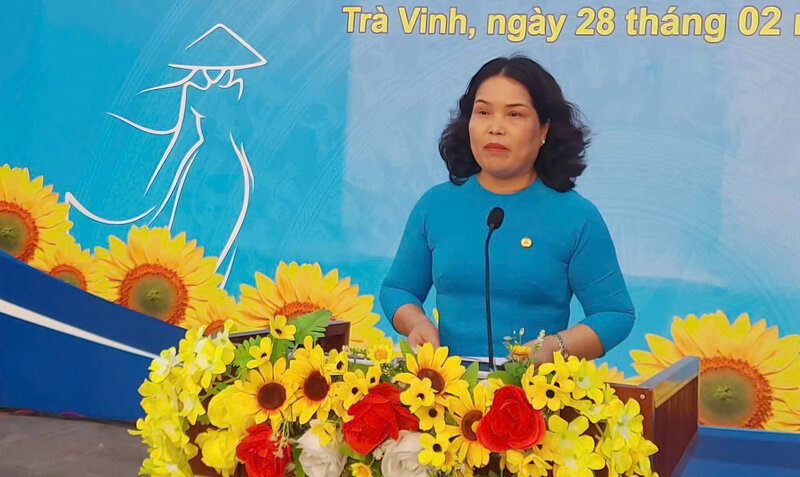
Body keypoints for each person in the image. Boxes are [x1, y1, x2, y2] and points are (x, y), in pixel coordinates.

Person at [379, 55, 635, 364]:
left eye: (514, 115)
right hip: (445, 395)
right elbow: (397, 289)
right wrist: (417, 323)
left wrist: (554, 348)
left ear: (544, 130)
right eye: (483, 112)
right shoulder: (436, 205)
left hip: (537, 397)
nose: (495, 127)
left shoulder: (576, 217)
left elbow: (614, 313)